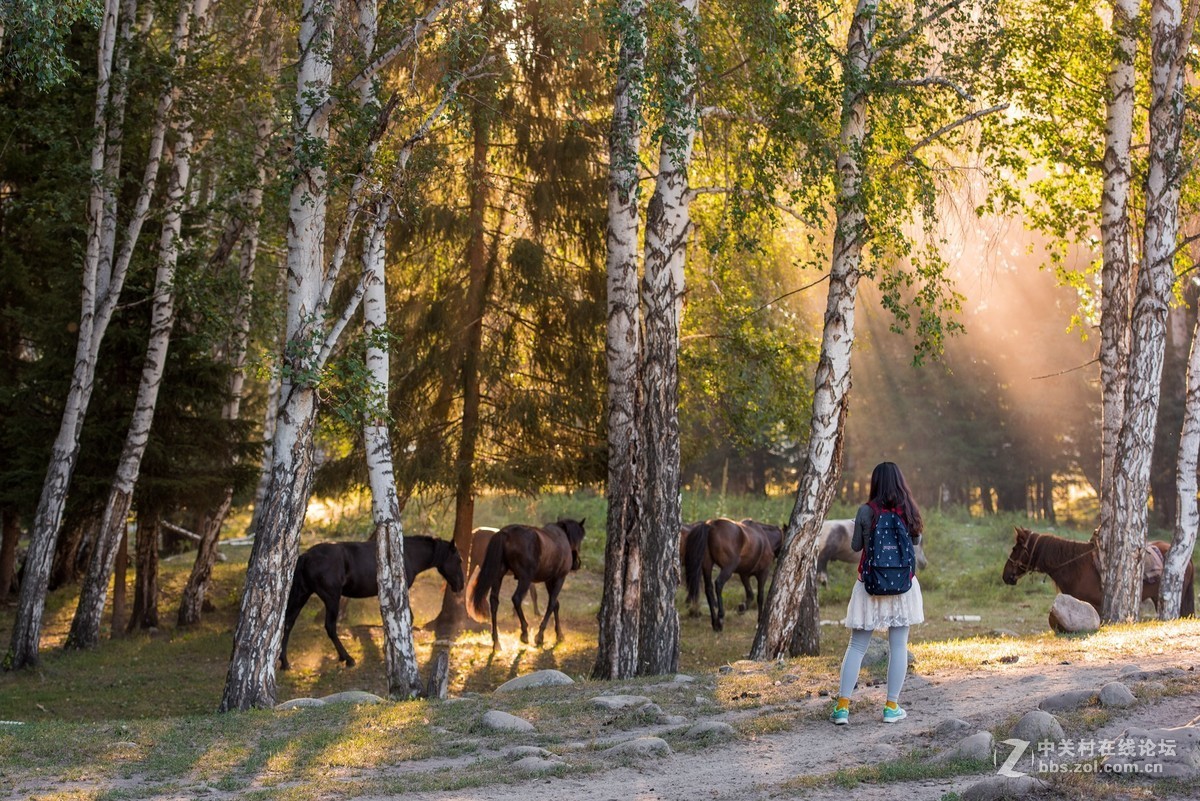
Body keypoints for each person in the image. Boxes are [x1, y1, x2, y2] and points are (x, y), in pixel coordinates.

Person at [830, 461, 924, 725]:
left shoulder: (865, 511)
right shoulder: (909, 510)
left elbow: (857, 545)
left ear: (875, 482)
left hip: (870, 584)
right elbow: (915, 541)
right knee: (898, 646)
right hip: (902, 587)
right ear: (900, 481)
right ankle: (891, 707)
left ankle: (842, 708)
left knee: (857, 645)